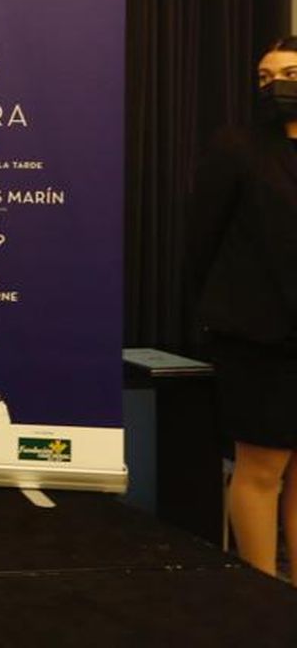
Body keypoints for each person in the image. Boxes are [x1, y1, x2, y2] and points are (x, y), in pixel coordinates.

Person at [187, 36, 297, 578]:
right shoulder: (237, 147)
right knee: (261, 468)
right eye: (264, 76)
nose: (276, 85)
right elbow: (203, 236)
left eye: (290, 73)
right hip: (258, 336)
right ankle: (261, 591)